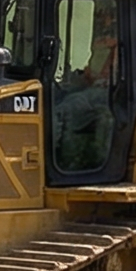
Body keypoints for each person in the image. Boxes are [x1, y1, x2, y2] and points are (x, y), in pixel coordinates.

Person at [53, 24, 119, 174]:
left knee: (66, 108)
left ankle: (59, 158)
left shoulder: (133, 47)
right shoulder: (102, 45)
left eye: (108, 17)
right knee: (55, 96)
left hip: (112, 92)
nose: (105, 20)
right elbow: (91, 74)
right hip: (95, 87)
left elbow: (131, 77)